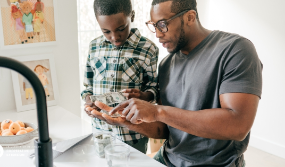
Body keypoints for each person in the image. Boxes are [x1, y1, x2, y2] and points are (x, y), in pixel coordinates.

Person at [87, 0, 263, 166]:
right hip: (168, 158)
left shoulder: (235, 50)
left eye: (162, 24)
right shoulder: (166, 65)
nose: (157, 34)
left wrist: (157, 111)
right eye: (154, 26)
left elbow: (237, 126)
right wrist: (126, 121)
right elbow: (164, 129)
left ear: (190, 17)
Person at [81, 0, 159, 154]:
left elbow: (155, 88)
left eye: (121, 29)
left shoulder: (148, 49)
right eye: (106, 31)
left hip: (133, 135)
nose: (115, 37)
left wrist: (144, 95)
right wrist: (89, 101)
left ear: (132, 16)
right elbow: (87, 87)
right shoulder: (94, 47)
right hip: (100, 132)